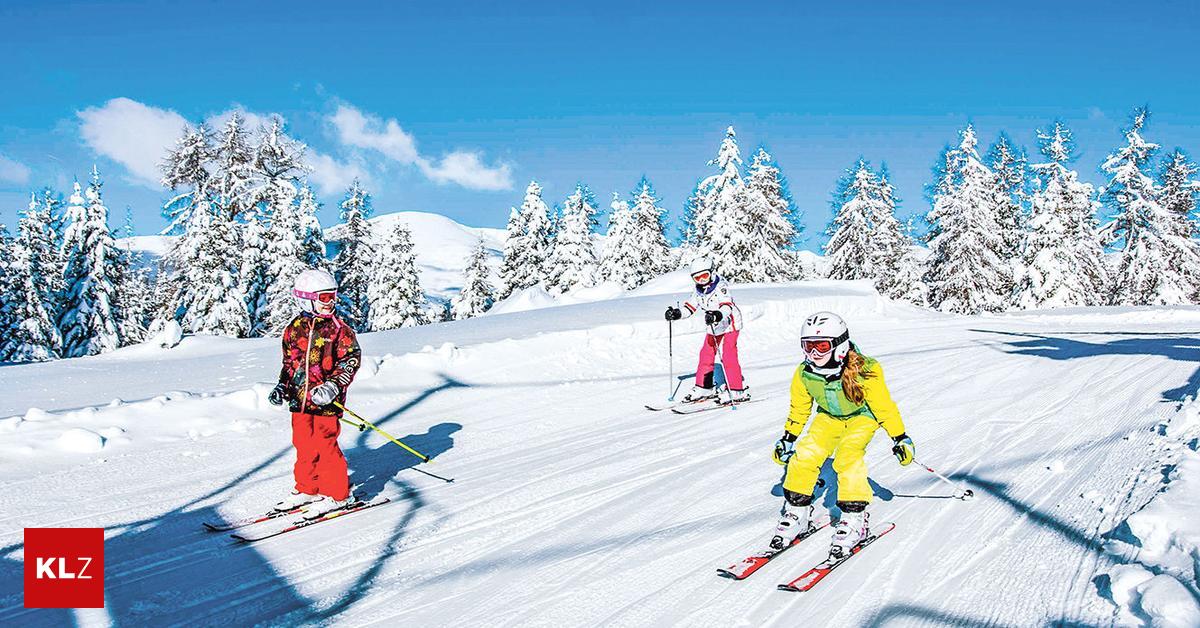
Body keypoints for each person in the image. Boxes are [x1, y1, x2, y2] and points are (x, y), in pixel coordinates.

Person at [768, 311, 916, 557]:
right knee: (804, 454)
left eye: (821, 346)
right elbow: (800, 408)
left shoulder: (866, 369)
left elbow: (883, 406)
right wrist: (788, 438)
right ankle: (798, 511)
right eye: (808, 346)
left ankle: (855, 517)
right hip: (828, 417)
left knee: (847, 456)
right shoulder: (805, 373)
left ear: (840, 345)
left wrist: (900, 437)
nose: (814, 354)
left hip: (862, 418)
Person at [268, 269, 363, 518]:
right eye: (324, 297)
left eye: (332, 296)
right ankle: (308, 488)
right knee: (303, 445)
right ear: (305, 298)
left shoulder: (339, 330)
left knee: (325, 445)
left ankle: (338, 494)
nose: (330, 301)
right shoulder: (294, 329)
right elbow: (290, 364)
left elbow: (350, 360)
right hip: (299, 401)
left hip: (327, 401)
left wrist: (333, 386)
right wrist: (283, 386)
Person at [664, 257, 748, 403]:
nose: (701, 280)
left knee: (728, 355)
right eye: (697, 277)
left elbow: (727, 306)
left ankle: (736, 390)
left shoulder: (720, 286)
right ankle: (704, 386)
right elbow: (690, 307)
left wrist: (717, 314)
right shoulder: (698, 291)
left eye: (705, 276)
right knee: (706, 354)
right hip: (714, 324)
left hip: (729, 322)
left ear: (711, 272)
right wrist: (677, 314)